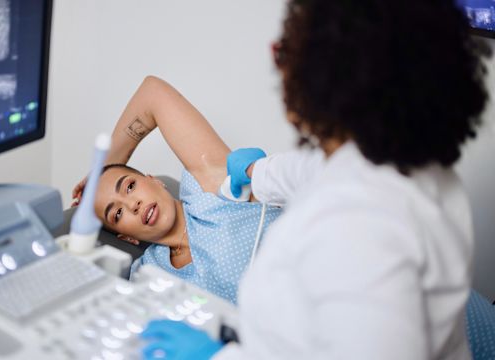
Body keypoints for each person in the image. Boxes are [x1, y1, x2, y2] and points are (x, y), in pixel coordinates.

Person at [139, 0, 491, 359]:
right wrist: (253, 174)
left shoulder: (361, 231)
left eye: (286, 53)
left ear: (325, 79)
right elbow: (313, 170)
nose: (279, 64)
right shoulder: (411, 165)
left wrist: (217, 357)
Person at [71, 76, 282, 304]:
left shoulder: (208, 189)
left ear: (154, 180)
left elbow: (152, 93)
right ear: (127, 238)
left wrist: (102, 169)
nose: (133, 205)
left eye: (130, 186)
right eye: (118, 214)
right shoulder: (148, 274)